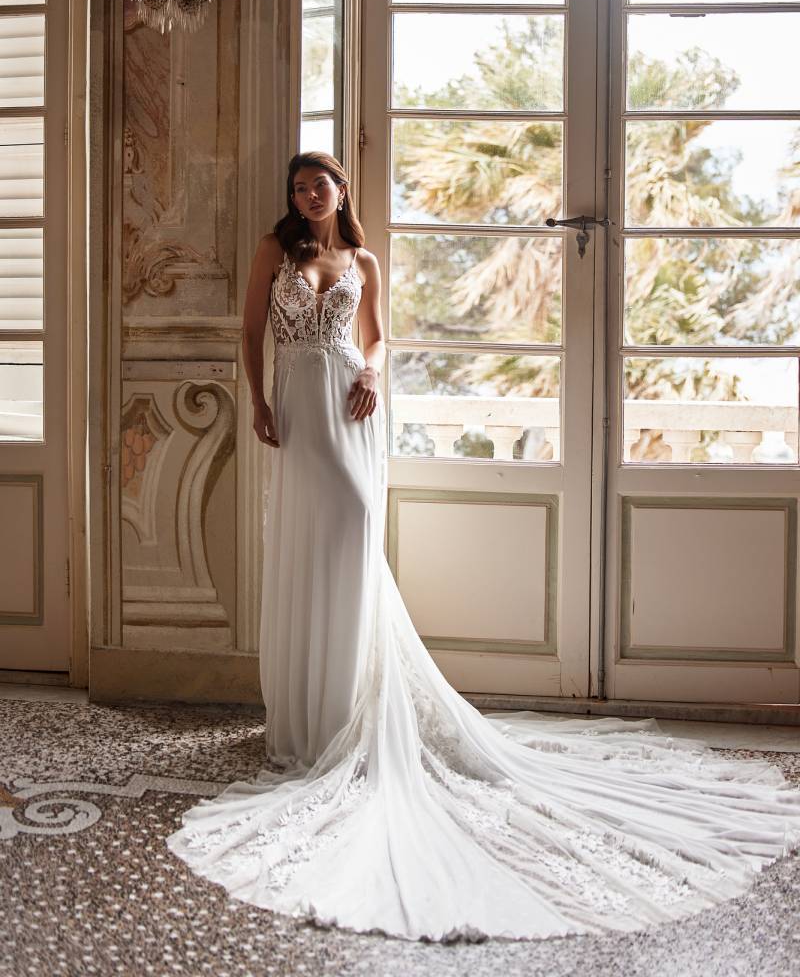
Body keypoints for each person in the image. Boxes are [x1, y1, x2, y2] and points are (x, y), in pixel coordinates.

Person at [166, 151, 800, 943]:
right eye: (298, 186)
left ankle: (351, 700)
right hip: (294, 406)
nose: (308, 194)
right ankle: (309, 719)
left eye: (318, 183)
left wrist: (372, 373)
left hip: (350, 407)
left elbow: (381, 337)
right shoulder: (276, 251)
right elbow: (251, 330)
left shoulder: (360, 258)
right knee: (306, 547)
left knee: (357, 532)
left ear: (341, 189)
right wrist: (257, 403)